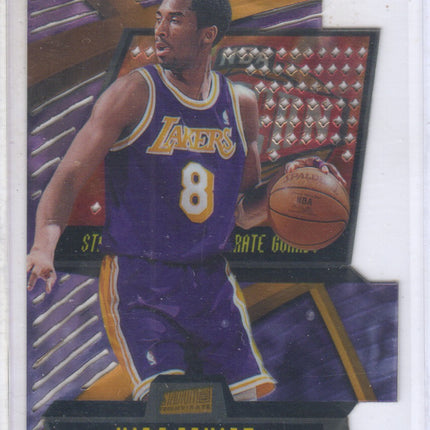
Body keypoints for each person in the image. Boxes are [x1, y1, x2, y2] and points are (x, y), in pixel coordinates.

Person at [27, 0, 344, 402]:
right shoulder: (134, 92)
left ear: (207, 34)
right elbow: (69, 176)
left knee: (241, 409)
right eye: (159, 18)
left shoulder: (241, 104)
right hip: (142, 278)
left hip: (210, 281)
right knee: (173, 407)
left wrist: (291, 182)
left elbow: (243, 211)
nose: (160, 29)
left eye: (175, 19)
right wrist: (43, 245)